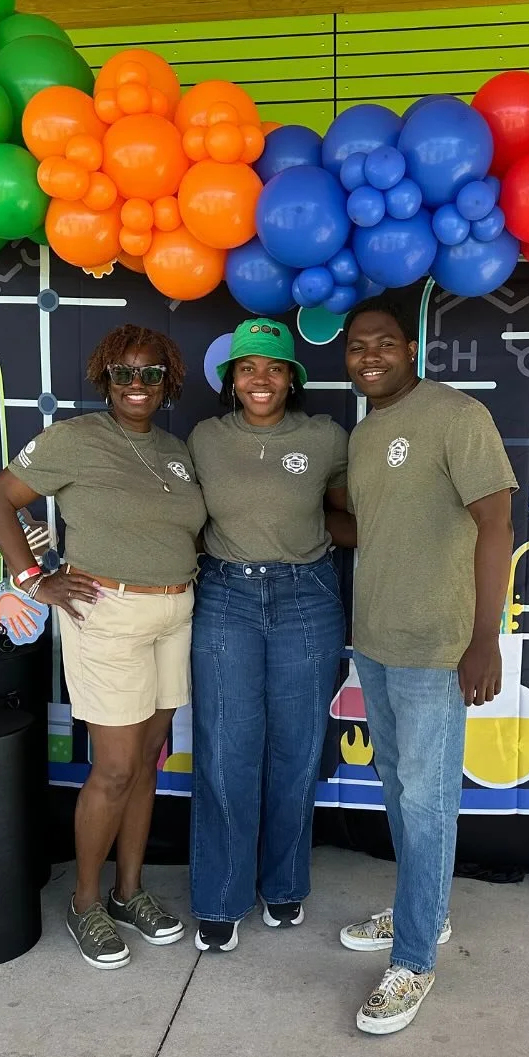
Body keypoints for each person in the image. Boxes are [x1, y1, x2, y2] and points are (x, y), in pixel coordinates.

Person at [0, 324, 206, 970]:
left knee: (145, 762)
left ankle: (129, 892)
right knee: (112, 768)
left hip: (175, 610)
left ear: (170, 381)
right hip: (106, 612)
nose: (137, 385)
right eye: (124, 373)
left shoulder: (175, 449)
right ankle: (86, 903)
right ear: (104, 378)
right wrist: (33, 578)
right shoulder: (74, 439)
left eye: (151, 373)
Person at [339, 293, 517, 1034]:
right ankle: (425, 911)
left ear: (409, 349)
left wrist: (484, 637)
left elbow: (497, 522)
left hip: (437, 646)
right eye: (356, 346)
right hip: (376, 641)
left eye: (383, 343)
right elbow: (371, 530)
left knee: (428, 800)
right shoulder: (366, 431)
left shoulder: (456, 417)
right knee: (396, 786)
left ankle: (414, 960)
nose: (369, 356)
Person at [187, 317, 351, 953]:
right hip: (225, 594)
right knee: (226, 750)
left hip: (307, 596)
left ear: (292, 379)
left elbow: (342, 513)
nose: (261, 378)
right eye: (249, 367)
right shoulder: (204, 438)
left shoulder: (325, 437)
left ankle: (284, 884)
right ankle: (221, 895)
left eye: (274, 367)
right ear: (231, 378)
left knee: (297, 747)